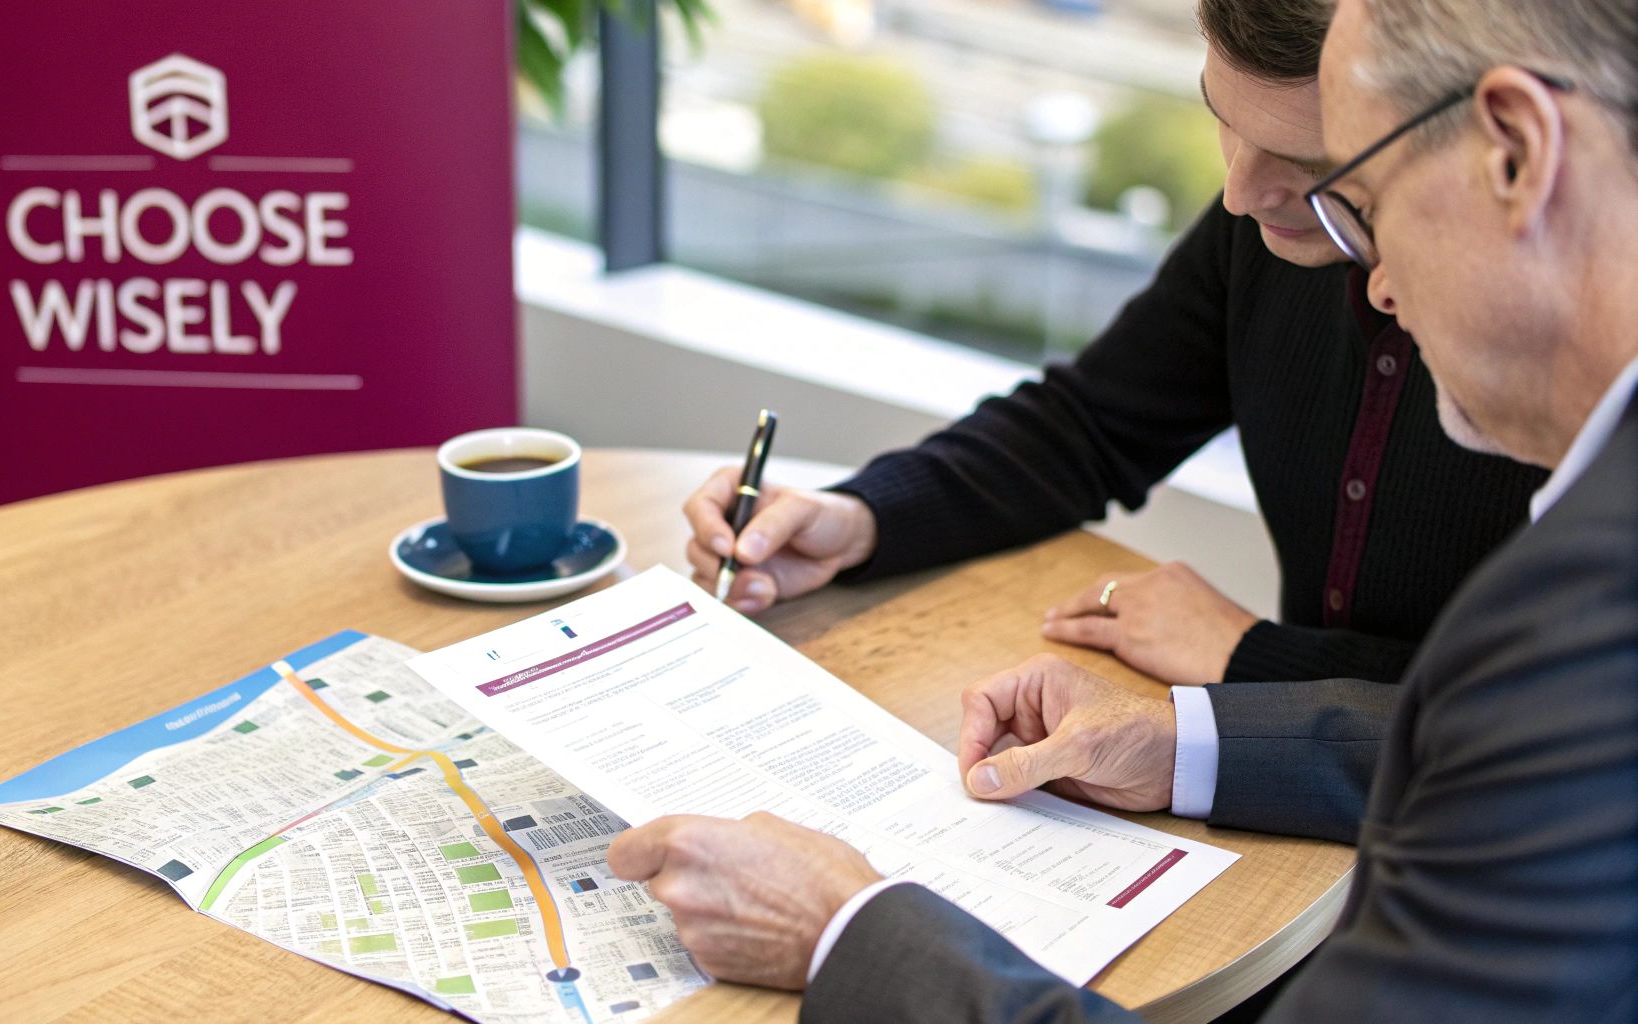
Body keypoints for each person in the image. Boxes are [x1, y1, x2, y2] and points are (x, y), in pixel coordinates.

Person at [612, 0, 1638, 1019]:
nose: (1374, 287)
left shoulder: (1588, 614)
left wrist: (843, 929)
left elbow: (1506, 735)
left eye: (1353, 192)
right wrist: (1188, 738)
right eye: (1219, 120)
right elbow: (1094, 418)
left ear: (1516, 150)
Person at [684, 0, 1547, 688]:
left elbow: (1563, 719)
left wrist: (1252, 655)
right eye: (1224, 119)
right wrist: (863, 519)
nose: (1240, 193)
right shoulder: (1273, 226)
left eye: (1311, 164)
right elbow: (1090, 423)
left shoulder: (1564, 346)